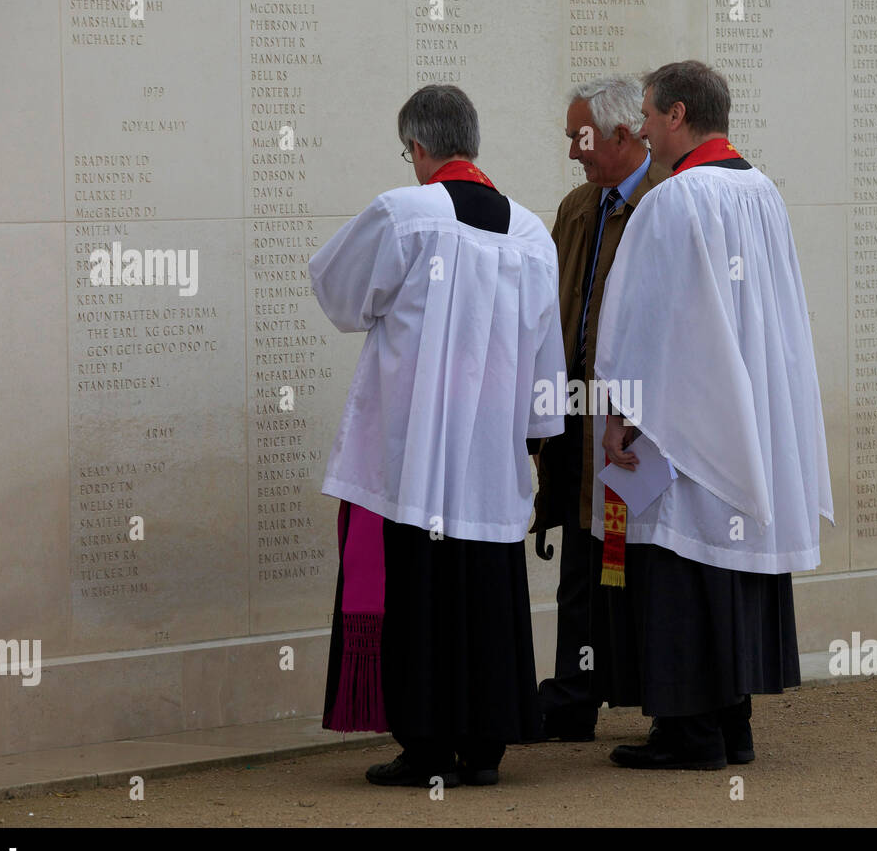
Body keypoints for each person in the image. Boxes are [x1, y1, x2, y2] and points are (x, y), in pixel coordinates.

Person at [311, 84, 565, 787]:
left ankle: (426, 746)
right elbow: (548, 350)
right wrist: (537, 435)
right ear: (471, 142)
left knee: (419, 594)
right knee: (484, 590)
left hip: (413, 446)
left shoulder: (405, 212)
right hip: (488, 450)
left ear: (419, 148)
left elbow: (338, 293)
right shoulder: (530, 232)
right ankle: (484, 746)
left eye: (408, 152)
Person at [592, 60, 834, 770]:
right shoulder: (763, 191)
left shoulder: (674, 201)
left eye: (645, 112)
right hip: (750, 407)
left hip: (689, 416)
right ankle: (733, 723)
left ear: (675, 114)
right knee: (725, 561)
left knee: (681, 558)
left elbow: (640, 317)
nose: (638, 127)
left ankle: (690, 732)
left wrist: (619, 411)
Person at [529, 75, 668, 741]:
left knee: (638, 558)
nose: (573, 153)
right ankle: (574, 691)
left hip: (635, 420)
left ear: (621, 134)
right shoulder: (577, 206)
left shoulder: (665, 203)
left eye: (580, 139)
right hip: (579, 416)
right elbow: (555, 308)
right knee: (583, 560)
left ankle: (652, 689)